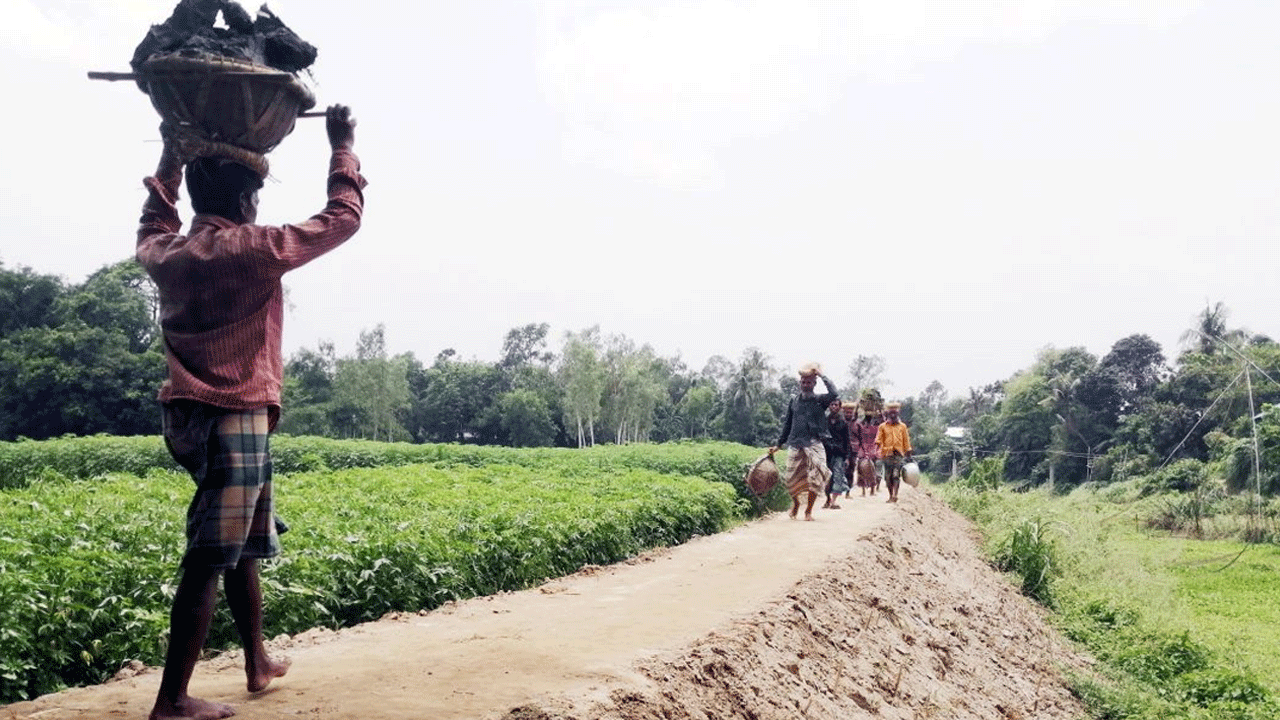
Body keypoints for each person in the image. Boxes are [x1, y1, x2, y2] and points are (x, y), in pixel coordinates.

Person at [137, 104, 366, 720]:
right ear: (247, 201)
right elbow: (342, 218)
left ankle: (256, 660)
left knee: (237, 544)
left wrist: (171, 154)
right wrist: (342, 145)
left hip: (192, 417)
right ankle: (172, 700)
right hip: (234, 417)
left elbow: (153, 216)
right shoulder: (256, 248)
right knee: (212, 553)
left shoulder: (167, 253)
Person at [768, 364, 839, 521]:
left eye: (809, 383)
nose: (806, 385)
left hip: (815, 443)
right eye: (803, 382)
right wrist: (779, 444)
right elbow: (787, 424)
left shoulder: (821, 400)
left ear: (814, 384)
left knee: (817, 476)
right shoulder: (794, 401)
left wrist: (821, 374)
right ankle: (796, 504)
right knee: (790, 479)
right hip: (796, 443)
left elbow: (834, 393)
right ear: (800, 383)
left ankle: (808, 511)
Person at [874, 401, 913, 503]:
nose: (893, 414)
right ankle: (891, 495)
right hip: (886, 455)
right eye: (891, 412)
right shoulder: (882, 426)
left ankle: (895, 495)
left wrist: (908, 453)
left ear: (897, 413)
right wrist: (876, 451)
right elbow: (878, 440)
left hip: (898, 455)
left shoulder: (902, 426)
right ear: (887, 413)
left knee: (896, 475)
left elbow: (906, 440)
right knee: (888, 477)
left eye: (894, 412)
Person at [822, 398, 850, 509]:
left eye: (836, 405)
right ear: (829, 406)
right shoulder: (824, 421)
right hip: (826, 452)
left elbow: (847, 441)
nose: (834, 407)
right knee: (827, 477)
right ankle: (827, 499)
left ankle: (833, 501)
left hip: (839, 453)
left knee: (838, 475)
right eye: (832, 404)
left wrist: (847, 457)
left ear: (839, 407)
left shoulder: (843, 423)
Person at [849, 407, 882, 497]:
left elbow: (882, 421)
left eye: (870, 415)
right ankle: (864, 491)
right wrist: (856, 407)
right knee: (861, 470)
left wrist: (880, 411)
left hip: (873, 449)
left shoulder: (876, 426)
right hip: (863, 449)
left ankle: (872, 490)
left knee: (873, 470)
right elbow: (853, 419)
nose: (869, 417)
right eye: (867, 415)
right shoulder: (861, 425)